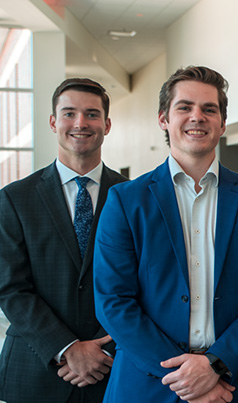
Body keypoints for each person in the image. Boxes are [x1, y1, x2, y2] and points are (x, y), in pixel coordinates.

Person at [93, 66, 238, 402]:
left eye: (209, 109)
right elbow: (113, 302)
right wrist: (183, 376)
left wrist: (215, 364)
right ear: (163, 119)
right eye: (184, 107)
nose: (197, 117)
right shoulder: (126, 201)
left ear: (223, 123)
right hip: (150, 384)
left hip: (237, 382)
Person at [0, 78, 126, 403]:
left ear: (107, 124)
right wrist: (67, 348)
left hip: (110, 368)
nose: (80, 123)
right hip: (35, 370)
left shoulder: (134, 197)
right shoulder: (15, 199)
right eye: (69, 113)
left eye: (91, 114)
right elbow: (11, 288)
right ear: (54, 122)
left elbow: (146, 284)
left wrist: (101, 348)